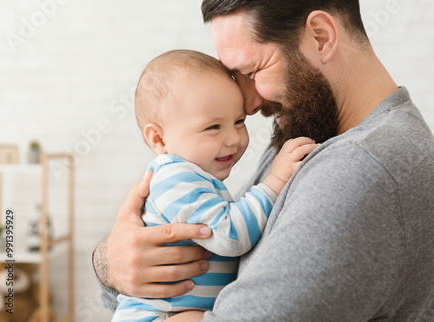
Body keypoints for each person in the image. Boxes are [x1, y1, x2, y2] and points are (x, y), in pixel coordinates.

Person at [93, 1, 434, 321]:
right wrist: (113, 263)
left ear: (321, 37)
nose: (248, 105)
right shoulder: (310, 132)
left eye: (251, 72)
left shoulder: (362, 165)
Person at [110, 49, 317, 321]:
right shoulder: (175, 180)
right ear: (158, 139)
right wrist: (274, 182)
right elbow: (230, 235)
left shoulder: (195, 178)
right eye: (213, 128)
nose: (233, 138)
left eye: (239, 121)